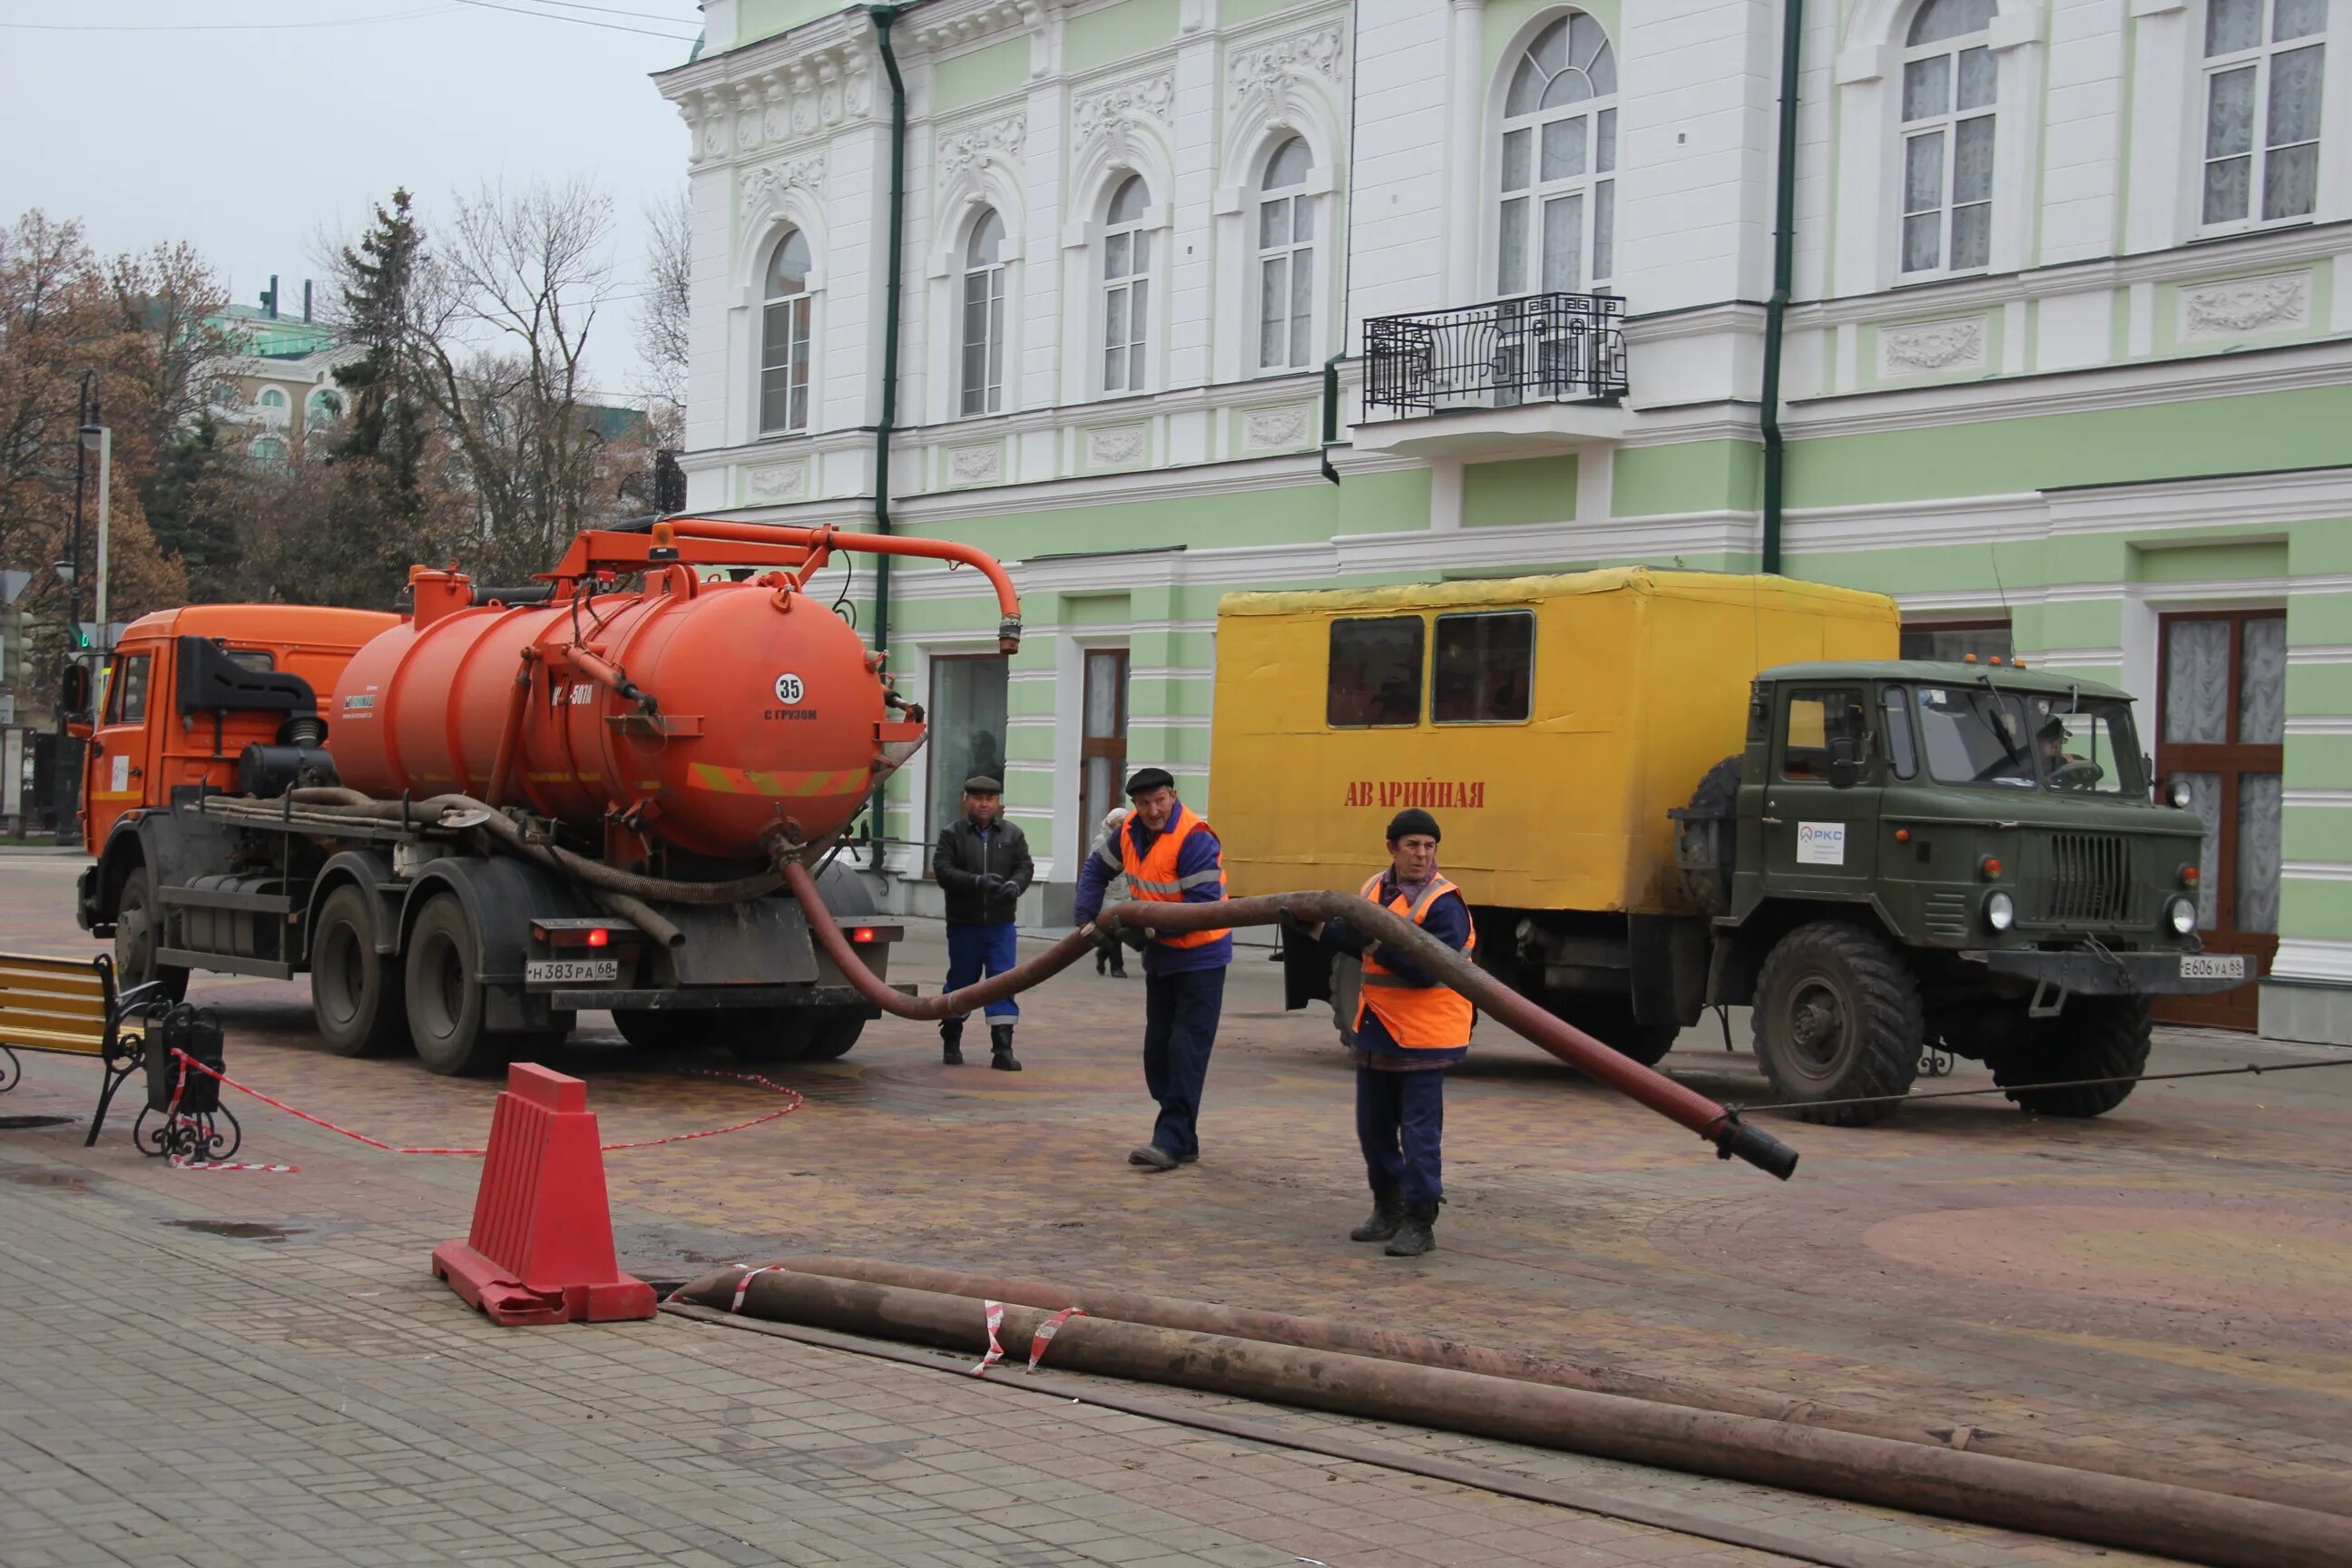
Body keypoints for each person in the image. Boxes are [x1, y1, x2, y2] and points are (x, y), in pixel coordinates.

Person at [1323, 808, 1475, 1258]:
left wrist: (1366, 943)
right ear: (1392, 848)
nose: (1422, 855)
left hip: (1426, 1037)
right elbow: (1348, 929)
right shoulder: (1373, 887)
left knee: (1419, 1134)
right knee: (1373, 1129)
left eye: (1429, 847)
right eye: (1413, 846)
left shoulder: (1445, 904)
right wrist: (1319, 929)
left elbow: (1427, 971)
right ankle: (1387, 1208)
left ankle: (1420, 1221)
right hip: (1377, 1029)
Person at [1073, 767, 1231, 1171]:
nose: (1153, 810)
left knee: (1185, 1050)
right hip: (1162, 956)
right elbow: (1096, 869)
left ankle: (1170, 1139)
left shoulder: (1195, 837)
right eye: (1144, 804)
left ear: (1173, 796)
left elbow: (1201, 907)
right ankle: (1184, 1137)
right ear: (1134, 806)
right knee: (1157, 1054)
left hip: (1201, 959)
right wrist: (1086, 920)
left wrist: (1146, 927)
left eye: (1159, 800)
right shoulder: (1127, 830)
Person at [931, 775, 1034, 1070]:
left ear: (998, 802)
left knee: (1003, 981)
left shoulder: (1012, 834)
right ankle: (951, 1037)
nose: (983, 804)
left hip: (1001, 924)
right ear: (966, 801)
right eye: (977, 798)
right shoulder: (952, 834)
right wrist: (977, 882)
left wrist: (1015, 885)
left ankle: (1002, 1049)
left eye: (990, 798)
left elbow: (1025, 866)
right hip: (965, 924)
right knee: (962, 982)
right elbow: (942, 870)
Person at [1089, 807, 1132, 978]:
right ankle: (1117, 967)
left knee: (1124, 928)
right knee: (1115, 928)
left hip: (1126, 888)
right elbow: (1095, 865)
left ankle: (1103, 952)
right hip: (1109, 890)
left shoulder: (1130, 839)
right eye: (1120, 823)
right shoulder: (1101, 840)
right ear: (1112, 824)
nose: (1122, 826)